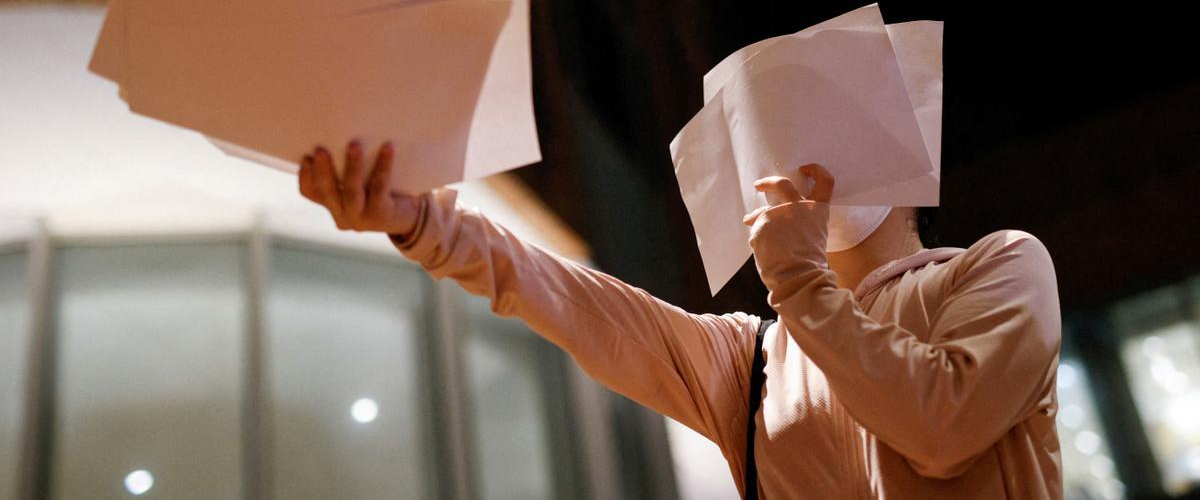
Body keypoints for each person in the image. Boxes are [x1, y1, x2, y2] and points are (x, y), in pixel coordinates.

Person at [298, 141, 1063, 499]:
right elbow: (566, 298)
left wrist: (800, 279)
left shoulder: (998, 267)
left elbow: (942, 424)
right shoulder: (753, 358)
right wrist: (424, 222)